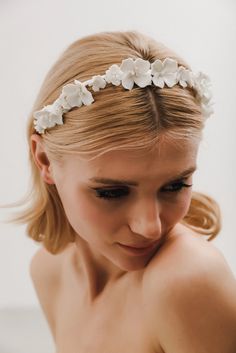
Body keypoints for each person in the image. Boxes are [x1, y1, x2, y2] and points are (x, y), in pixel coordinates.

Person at [2, 30, 236, 352]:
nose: (150, 226)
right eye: (112, 192)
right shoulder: (50, 272)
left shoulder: (187, 280)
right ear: (44, 160)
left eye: (175, 185)